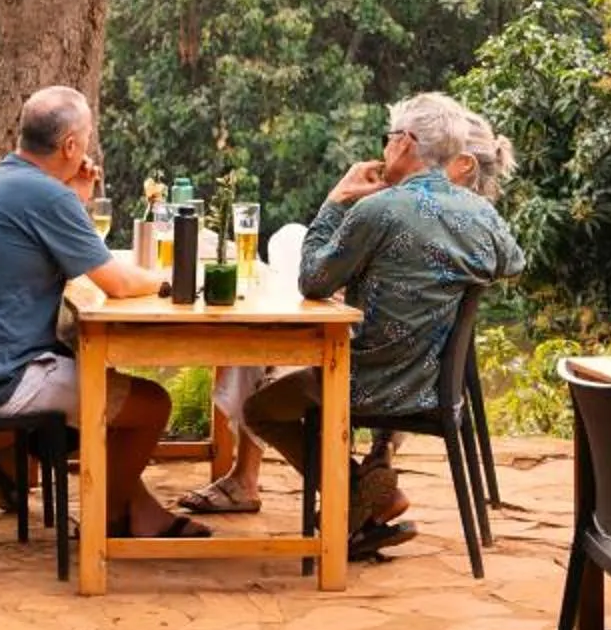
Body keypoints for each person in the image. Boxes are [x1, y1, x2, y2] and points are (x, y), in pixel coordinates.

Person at [183, 95, 523, 560]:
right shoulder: (481, 214)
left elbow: (314, 279)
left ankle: (357, 493)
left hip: (362, 382)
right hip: (433, 385)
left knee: (262, 407)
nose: (385, 150)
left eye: (389, 141)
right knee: (278, 396)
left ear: (405, 144)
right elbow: (512, 261)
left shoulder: (378, 210)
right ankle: (366, 499)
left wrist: (336, 200)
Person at [0, 86, 197, 539]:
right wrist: (170, 280)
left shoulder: (0, 179)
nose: (88, 146)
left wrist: (76, 201)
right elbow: (118, 282)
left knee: (105, 384)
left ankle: (136, 509)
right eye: (87, 136)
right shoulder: (45, 196)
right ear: (70, 145)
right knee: (151, 405)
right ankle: (110, 519)